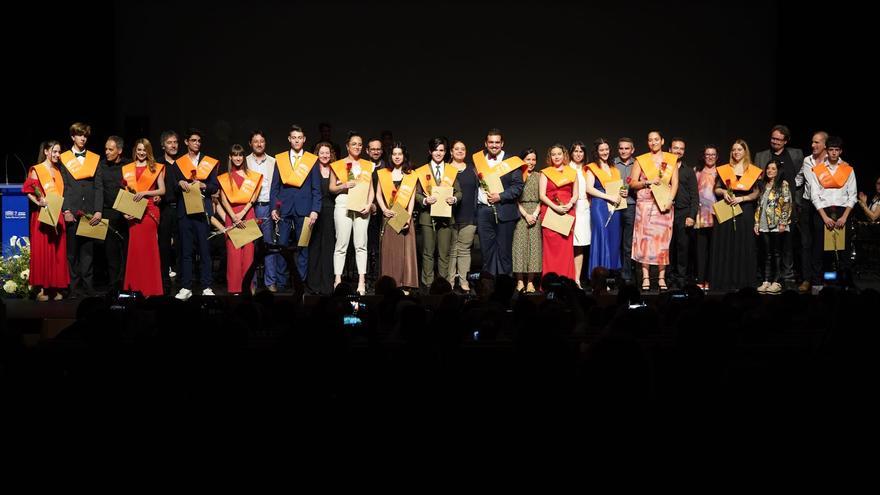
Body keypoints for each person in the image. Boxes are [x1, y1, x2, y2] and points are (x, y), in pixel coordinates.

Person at [270, 125, 321, 292]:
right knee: (282, 247)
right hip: (284, 209)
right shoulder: (281, 159)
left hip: (305, 209)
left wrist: (315, 210)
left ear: (304, 139)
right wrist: (273, 208)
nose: (297, 140)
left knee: (303, 248)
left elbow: (316, 188)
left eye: (300, 137)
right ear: (289, 139)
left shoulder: (311, 160)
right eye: (294, 137)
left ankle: (300, 282)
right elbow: (274, 187)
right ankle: (282, 282)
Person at [171, 128, 220, 300]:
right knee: (186, 251)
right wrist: (181, 183)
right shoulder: (178, 163)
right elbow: (173, 187)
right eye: (193, 140)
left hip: (202, 212)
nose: (197, 143)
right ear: (186, 142)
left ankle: (206, 286)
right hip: (185, 212)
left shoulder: (208, 163)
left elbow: (215, 186)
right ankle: (186, 286)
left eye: (199, 141)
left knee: (205, 251)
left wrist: (204, 186)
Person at [709, 139, 762, 291]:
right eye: (734, 150)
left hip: (744, 209)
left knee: (743, 244)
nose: (736, 152)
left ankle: (742, 282)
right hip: (726, 208)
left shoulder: (752, 170)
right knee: (726, 244)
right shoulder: (725, 169)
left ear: (745, 152)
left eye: (739, 149)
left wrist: (742, 198)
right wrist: (724, 192)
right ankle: (724, 281)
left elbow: (757, 192)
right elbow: (716, 189)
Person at [629, 131, 678, 291]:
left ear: (662, 141)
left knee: (662, 241)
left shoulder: (671, 159)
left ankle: (661, 277)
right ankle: (645, 277)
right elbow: (633, 183)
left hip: (663, 204)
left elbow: (675, 183)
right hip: (645, 204)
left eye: (656, 139)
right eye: (650, 140)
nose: (653, 142)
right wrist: (647, 182)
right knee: (645, 241)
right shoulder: (641, 160)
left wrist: (670, 201)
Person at [755, 125, 804, 286]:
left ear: (786, 141)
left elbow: (800, 178)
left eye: (778, 139)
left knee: (787, 245)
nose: (774, 141)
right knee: (769, 250)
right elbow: (758, 183)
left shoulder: (796, 155)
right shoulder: (761, 156)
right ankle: (768, 278)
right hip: (765, 211)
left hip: (788, 207)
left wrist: (795, 202)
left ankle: (787, 276)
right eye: (773, 138)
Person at [59, 122, 103, 297]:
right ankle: (73, 287)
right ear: (73, 137)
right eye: (79, 135)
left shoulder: (94, 158)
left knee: (88, 251)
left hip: (90, 211)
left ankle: (88, 287)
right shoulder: (64, 158)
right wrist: (66, 210)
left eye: (85, 135)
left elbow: (99, 187)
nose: (83, 138)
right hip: (72, 210)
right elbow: (62, 187)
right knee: (71, 252)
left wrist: (98, 210)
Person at [804, 136, 857, 281]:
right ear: (826, 151)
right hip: (822, 212)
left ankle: (843, 283)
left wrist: (844, 217)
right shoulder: (818, 170)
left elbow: (853, 196)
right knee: (819, 250)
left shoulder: (848, 169)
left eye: (836, 150)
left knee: (843, 250)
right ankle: (818, 283)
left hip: (842, 212)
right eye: (831, 150)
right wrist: (825, 217)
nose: (834, 153)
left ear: (841, 151)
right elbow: (814, 195)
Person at [473, 128, 524, 276]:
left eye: (497, 142)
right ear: (486, 143)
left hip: (505, 210)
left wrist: (500, 196)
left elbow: (518, 187)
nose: (494, 145)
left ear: (502, 143)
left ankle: (504, 288)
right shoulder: (478, 161)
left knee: (504, 253)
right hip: (484, 211)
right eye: (491, 142)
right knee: (486, 252)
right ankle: (488, 287)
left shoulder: (512, 161)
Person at [329, 131, 375, 295]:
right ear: (347, 146)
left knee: (361, 244)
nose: (357, 147)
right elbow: (332, 187)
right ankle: (338, 280)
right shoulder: (338, 164)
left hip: (362, 205)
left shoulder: (368, 165)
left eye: (360, 144)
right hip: (343, 203)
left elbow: (371, 189)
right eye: (354, 144)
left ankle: (361, 282)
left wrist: (369, 204)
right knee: (341, 244)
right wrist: (344, 185)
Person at [22, 140, 69, 301]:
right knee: (42, 251)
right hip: (42, 216)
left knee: (56, 253)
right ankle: (42, 289)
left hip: (57, 215)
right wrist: (38, 202)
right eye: (54, 151)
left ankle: (54, 288)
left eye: (59, 152)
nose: (57, 155)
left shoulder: (58, 170)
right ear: (47, 152)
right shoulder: (37, 169)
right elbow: (28, 190)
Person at [415, 137, 461, 289]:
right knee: (428, 253)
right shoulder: (422, 171)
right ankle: (428, 283)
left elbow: (459, 192)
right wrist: (424, 201)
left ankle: (443, 284)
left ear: (446, 152)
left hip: (446, 217)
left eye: (441, 150)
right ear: (430, 151)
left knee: (444, 253)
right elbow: (417, 193)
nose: (438, 153)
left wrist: (454, 198)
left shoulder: (451, 170)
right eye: (435, 150)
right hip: (427, 217)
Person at [122, 139, 165, 297]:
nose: (141, 153)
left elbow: (162, 190)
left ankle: (151, 289)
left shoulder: (155, 168)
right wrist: (125, 212)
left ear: (149, 151)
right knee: (135, 251)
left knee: (149, 251)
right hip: (133, 211)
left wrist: (145, 193)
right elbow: (126, 193)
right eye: (139, 149)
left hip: (149, 211)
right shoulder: (127, 169)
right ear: (135, 150)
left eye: (144, 150)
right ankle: (134, 287)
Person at [376, 142, 419, 292]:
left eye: (400, 154)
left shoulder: (411, 174)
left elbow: (412, 197)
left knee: (404, 250)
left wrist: (408, 217)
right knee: (390, 250)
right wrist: (383, 210)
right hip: (389, 215)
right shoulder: (384, 173)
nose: (397, 157)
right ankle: (390, 283)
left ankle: (404, 282)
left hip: (404, 216)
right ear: (390, 156)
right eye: (394, 154)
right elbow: (378, 195)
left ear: (404, 156)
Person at [219, 144, 262, 295]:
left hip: (247, 214)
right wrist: (234, 217)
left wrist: (242, 213)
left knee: (249, 254)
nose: (238, 158)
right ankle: (234, 289)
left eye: (240, 155)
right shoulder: (225, 178)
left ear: (243, 157)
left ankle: (247, 287)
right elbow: (223, 201)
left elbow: (253, 198)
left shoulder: (252, 176)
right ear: (230, 157)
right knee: (233, 255)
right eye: (235, 155)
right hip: (233, 217)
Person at [583, 138, 624, 276]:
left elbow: (617, 188)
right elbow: (589, 189)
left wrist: (621, 192)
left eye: (607, 149)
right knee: (601, 235)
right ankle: (599, 275)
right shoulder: (592, 168)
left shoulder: (614, 169)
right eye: (602, 150)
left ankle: (611, 274)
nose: (605, 152)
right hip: (599, 206)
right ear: (597, 152)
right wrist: (609, 197)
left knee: (613, 237)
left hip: (614, 207)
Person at [245, 130, 277, 290]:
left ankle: (270, 281)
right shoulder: (244, 162)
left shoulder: (273, 162)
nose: (259, 144)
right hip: (250, 207)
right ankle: (252, 282)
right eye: (255, 141)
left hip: (267, 206)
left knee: (269, 245)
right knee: (251, 246)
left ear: (265, 143)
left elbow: (277, 187)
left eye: (261, 141)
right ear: (250, 143)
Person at [539, 144, 577, 279]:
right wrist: (555, 208)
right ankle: (549, 280)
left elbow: (575, 194)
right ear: (550, 157)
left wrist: (570, 204)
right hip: (550, 212)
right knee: (550, 249)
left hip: (567, 211)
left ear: (564, 155)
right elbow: (542, 195)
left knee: (566, 250)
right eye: (553, 154)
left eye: (559, 154)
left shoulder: (572, 172)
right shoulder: (545, 172)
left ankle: (567, 280)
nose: (556, 157)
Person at [796, 131, 828, 293]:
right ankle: (806, 279)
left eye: (816, 142)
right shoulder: (807, 160)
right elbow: (800, 178)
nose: (813, 145)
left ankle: (818, 279)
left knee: (820, 244)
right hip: (807, 205)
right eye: (812, 142)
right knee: (805, 243)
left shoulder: (832, 162)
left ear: (825, 145)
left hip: (824, 206)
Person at [754, 161, 792, 294]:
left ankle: (777, 281)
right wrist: (757, 223)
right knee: (767, 253)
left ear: (778, 171)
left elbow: (787, 204)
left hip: (777, 224)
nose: (770, 171)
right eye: (768, 168)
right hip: (764, 224)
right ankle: (766, 281)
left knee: (777, 253)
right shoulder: (763, 185)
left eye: (773, 168)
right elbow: (760, 205)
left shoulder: (783, 185)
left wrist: (783, 222)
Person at [305, 142, 337, 295]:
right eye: (321, 153)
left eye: (327, 153)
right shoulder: (312, 169)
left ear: (331, 154)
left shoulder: (336, 169)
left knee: (328, 248)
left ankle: (327, 286)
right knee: (314, 247)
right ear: (316, 154)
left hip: (331, 211)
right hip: (314, 212)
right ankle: (313, 285)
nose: (325, 155)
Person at [98, 135, 129, 291]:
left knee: (127, 251)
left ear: (119, 150)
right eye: (106, 149)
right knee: (110, 253)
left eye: (111, 149)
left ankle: (126, 284)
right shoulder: (101, 166)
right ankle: (113, 287)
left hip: (126, 214)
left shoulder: (128, 165)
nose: (107, 152)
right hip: (108, 213)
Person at [447, 139, 478, 292]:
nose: (460, 151)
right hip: (450, 216)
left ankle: (464, 281)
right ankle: (450, 281)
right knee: (452, 249)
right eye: (456, 149)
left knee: (464, 249)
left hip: (469, 215)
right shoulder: (445, 169)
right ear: (451, 152)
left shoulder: (473, 170)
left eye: (463, 149)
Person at [669, 137, 698, 288]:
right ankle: (668, 277)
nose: (678, 151)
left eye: (681, 148)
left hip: (683, 212)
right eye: (675, 148)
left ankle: (681, 279)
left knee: (682, 247)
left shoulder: (688, 171)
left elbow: (695, 196)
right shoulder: (664, 168)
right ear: (669, 150)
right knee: (668, 246)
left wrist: (691, 216)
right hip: (666, 212)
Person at [512, 148, 541, 292]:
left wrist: (535, 214)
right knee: (519, 247)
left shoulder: (539, 176)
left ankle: (530, 282)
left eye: (533, 159)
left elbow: (542, 198)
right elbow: (515, 199)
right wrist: (526, 215)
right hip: (520, 213)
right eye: (528, 159)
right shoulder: (517, 176)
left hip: (536, 212)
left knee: (534, 248)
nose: (531, 162)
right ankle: (519, 281)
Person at [157, 130, 180, 293]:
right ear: (163, 145)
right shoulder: (157, 165)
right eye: (170, 142)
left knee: (181, 246)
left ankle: (181, 282)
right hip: (164, 210)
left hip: (181, 209)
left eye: (175, 142)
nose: (173, 145)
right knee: (163, 247)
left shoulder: (182, 164)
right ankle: (164, 281)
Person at [694, 145, 719, 289]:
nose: (710, 157)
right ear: (703, 156)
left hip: (717, 216)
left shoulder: (721, 172)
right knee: (701, 250)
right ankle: (700, 279)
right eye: (707, 154)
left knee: (714, 250)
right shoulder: (696, 172)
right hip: (701, 217)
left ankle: (710, 279)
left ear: (717, 157)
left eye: (713, 154)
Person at [614, 137, 637, 284]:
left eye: (626, 148)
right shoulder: (612, 163)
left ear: (632, 150)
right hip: (614, 206)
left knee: (628, 244)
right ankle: (614, 274)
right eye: (621, 148)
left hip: (631, 206)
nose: (623, 151)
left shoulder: (638, 164)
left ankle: (626, 275)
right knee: (615, 242)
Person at [569, 141, 590, 287]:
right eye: (575, 151)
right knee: (567, 243)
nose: (578, 154)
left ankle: (577, 278)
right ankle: (567, 276)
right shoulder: (565, 168)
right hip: (569, 207)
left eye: (581, 151)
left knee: (580, 244)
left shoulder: (587, 169)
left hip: (584, 207)